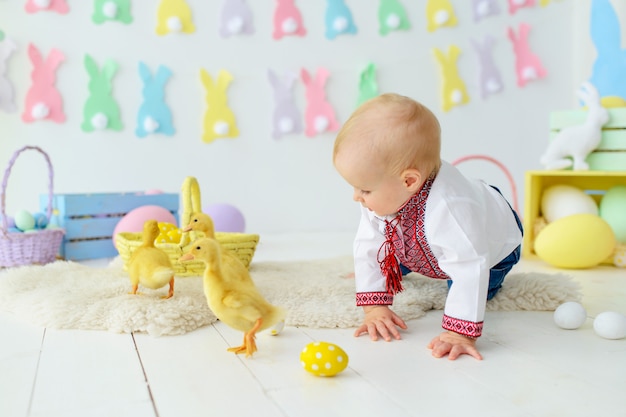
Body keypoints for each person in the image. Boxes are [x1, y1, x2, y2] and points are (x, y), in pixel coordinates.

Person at [332, 93, 523, 361]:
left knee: (469, 284)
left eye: (363, 189)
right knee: (386, 257)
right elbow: (368, 245)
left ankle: (472, 277)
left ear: (409, 181)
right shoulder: (384, 193)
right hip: (419, 235)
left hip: (494, 244)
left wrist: (459, 333)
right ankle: (408, 262)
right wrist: (375, 306)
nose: (356, 196)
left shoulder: (451, 208)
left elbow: (470, 265)